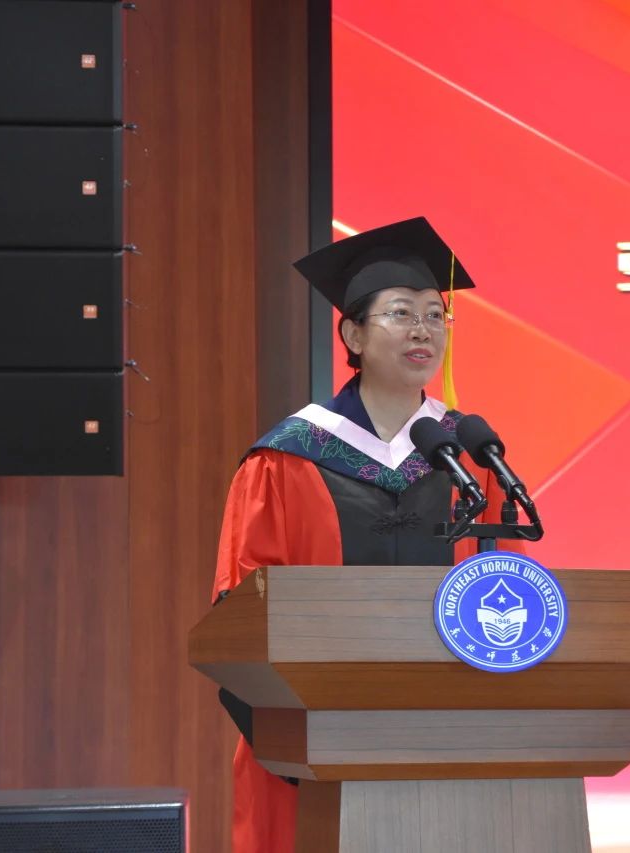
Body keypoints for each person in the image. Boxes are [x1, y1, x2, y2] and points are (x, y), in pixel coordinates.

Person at [210, 217, 523, 853]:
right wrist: (293, 733)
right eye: (401, 313)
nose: (423, 330)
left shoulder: (473, 458)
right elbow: (241, 610)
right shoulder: (286, 459)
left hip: (449, 733)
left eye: (435, 316)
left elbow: (509, 592)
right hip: (314, 737)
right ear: (352, 333)